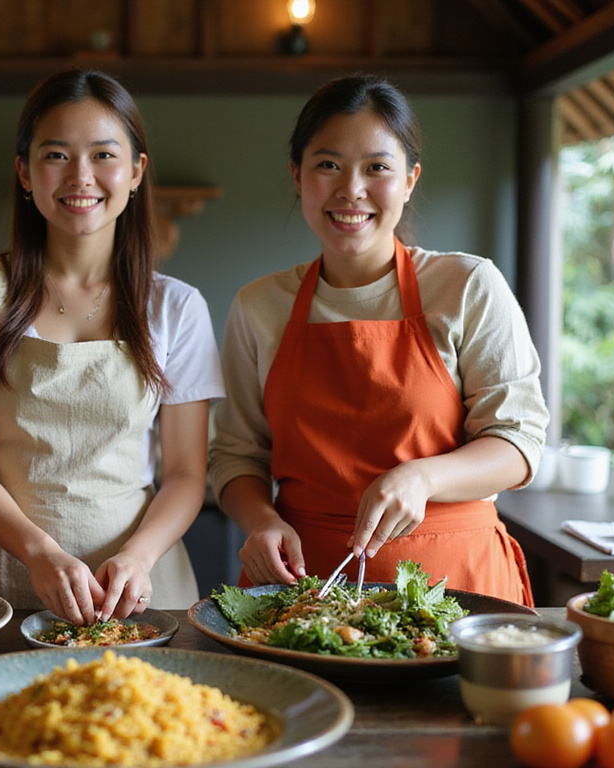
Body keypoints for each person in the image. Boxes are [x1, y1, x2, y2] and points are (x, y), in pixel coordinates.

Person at [208, 74, 548, 606]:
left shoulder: (466, 285)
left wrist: (423, 478)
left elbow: (520, 443)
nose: (351, 189)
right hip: (302, 593)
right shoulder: (258, 305)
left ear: (410, 179)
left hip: (457, 591)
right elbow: (235, 457)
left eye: (377, 167)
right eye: (328, 164)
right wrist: (262, 521)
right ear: (297, 175)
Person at [0, 70, 224, 625]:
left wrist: (137, 556)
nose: (80, 176)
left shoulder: (177, 307)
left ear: (136, 172)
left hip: (137, 589)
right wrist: (39, 551)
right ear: (25, 173)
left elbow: (185, 473)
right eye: (56, 155)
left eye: (104, 155)